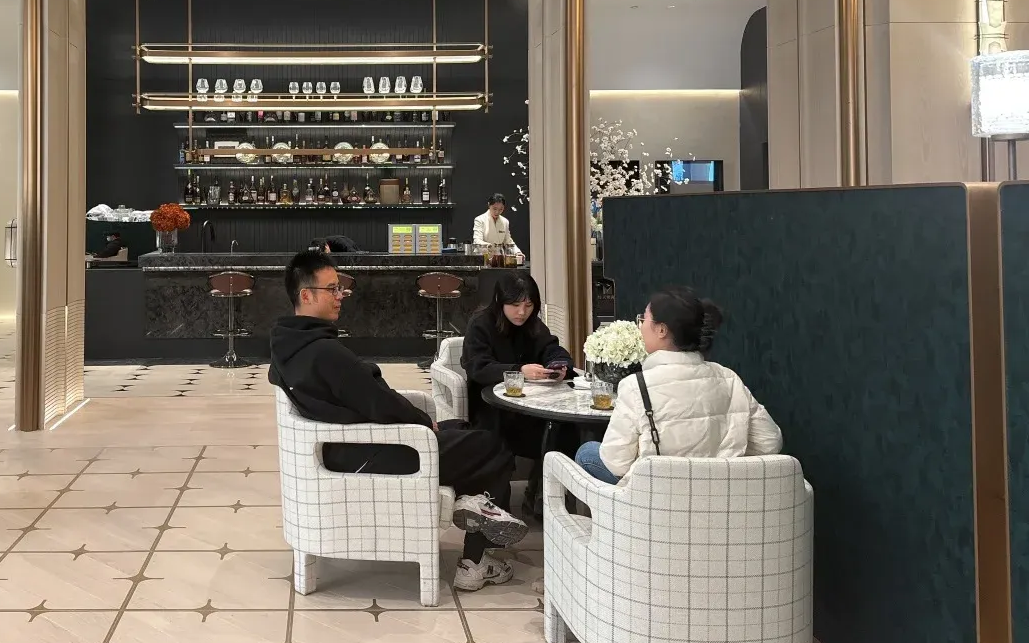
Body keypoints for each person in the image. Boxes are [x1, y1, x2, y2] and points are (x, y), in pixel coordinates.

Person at [269, 250, 528, 591]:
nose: (341, 295)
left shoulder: (288, 344)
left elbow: (366, 398)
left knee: (462, 430)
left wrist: (423, 421)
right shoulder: (324, 352)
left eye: (340, 288)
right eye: (332, 289)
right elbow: (379, 403)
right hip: (373, 452)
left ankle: (474, 506)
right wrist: (423, 422)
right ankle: (476, 559)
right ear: (306, 295)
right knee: (492, 445)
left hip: (349, 447)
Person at [575, 286, 783, 485]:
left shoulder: (636, 386)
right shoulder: (729, 379)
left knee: (587, 453)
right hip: (719, 495)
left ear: (662, 330)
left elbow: (615, 462)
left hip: (657, 498)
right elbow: (770, 442)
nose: (640, 326)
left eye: (644, 319)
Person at [461, 273, 574, 516]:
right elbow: (478, 367)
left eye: (529, 305)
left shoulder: (532, 324)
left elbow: (551, 348)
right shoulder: (481, 325)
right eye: (515, 305)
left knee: (562, 428)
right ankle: (530, 498)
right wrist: (519, 371)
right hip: (491, 409)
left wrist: (558, 365)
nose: (522, 312)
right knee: (544, 431)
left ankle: (543, 495)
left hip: (530, 406)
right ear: (500, 301)